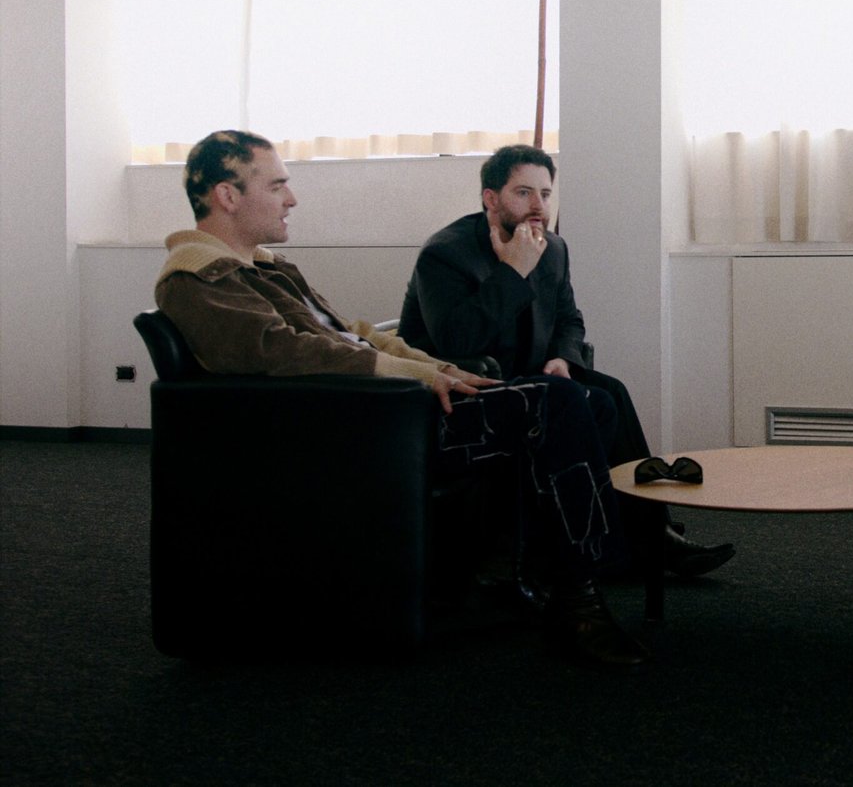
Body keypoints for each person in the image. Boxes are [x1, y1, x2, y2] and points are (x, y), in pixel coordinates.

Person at [155, 130, 649, 668]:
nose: (291, 199)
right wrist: (414, 376)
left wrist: (438, 368)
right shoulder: (199, 277)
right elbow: (282, 353)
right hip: (370, 425)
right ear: (228, 195)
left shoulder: (264, 267)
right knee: (557, 402)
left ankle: (564, 570)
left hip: (388, 404)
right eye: (276, 186)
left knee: (591, 400)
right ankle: (580, 598)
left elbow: (355, 334)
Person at [398, 144, 735, 579]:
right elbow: (454, 340)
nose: (538, 206)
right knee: (593, 403)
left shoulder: (553, 249)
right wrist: (513, 272)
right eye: (523, 193)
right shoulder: (446, 254)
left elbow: (569, 321)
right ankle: (614, 544)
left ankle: (653, 533)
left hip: (532, 379)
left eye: (545, 193)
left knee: (611, 390)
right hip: (467, 392)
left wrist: (563, 356)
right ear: (490, 199)